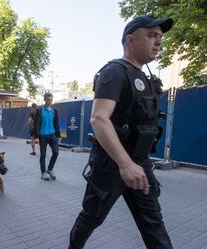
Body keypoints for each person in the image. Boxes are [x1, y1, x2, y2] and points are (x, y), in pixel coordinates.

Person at [69, 15, 174, 249]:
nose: (158, 42)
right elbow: (99, 118)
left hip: (139, 163)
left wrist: (135, 163)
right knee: (91, 217)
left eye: (159, 37)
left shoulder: (145, 78)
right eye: (151, 35)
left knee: (154, 225)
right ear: (130, 40)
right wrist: (125, 164)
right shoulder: (114, 72)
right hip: (110, 165)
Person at [33, 92, 61, 181]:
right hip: (42, 135)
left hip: (52, 135)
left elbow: (56, 123)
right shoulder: (39, 110)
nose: (50, 101)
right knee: (43, 155)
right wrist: (36, 137)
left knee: (56, 152)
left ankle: (50, 169)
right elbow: (36, 124)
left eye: (51, 100)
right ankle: (43, 172)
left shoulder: (54, 111)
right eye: (48, 100)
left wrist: (58, 135)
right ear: (44, 99)